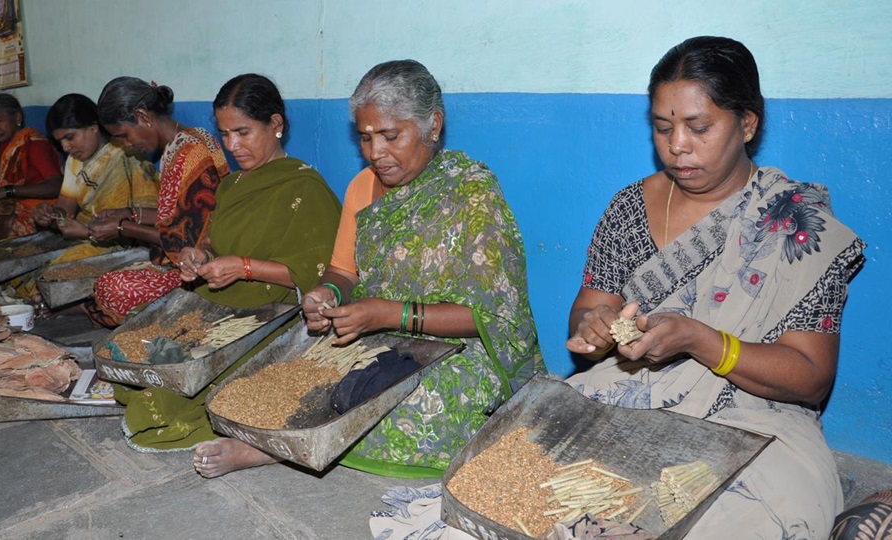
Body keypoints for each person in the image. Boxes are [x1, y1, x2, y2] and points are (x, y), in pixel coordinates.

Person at [565, 36, 864, 538]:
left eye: (699, 127)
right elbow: (588, 311)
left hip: (756, 418)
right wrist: (593, 327)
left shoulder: (795, 223)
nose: (677, 146)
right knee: (529, 474)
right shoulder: (629, 208)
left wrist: (700, 341)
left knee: (757, 513)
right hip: (628, 391)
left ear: (747, 123)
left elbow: (811, 376)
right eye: (663, 128)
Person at [193, 60, 542, 479]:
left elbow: (493, 317)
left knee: (422, 403)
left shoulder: (470, 192)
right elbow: (343, 272)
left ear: (433, 125)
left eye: (391, 136)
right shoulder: (362, 187)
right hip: (379, 331)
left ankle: (281, 449)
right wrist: (326, 294)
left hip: (461, 346)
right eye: (365, 137)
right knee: (292, 373)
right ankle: (293, 440)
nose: (375, 153)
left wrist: (388, 314)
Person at [116, 73, 341, 452]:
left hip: (274, 315)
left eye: (243, 132)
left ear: (275, 124)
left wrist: (243, 268)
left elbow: (316, 273)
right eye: (224, 134)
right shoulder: (232, 185)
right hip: (220, 306)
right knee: (146, 350)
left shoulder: (305, 187)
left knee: (184, 397)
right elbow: (210, 244)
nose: (233, 145)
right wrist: (198, 257)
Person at [87, 77, 228, 327]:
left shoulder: (189, 153)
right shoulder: (187, 141)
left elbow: (186, 241)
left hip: (200, 266)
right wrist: (130, 213)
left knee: (110, 288)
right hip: (186, 257)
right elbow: (180, 214)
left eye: (125, 135)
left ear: (143, 116)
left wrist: (122, 228)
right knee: (104, 284)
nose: (127, 145)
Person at [33, 93, 158, 263]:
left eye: (69, 137)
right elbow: (65, 209)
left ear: (93, 127)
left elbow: (146, 223)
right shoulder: (75, 160)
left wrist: (87, 233)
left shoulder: (127, 158)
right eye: (60, 141)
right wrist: (51, 215)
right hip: (85, 234)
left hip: (125, 245)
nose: (65, 147)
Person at [0, 93, 63, 241]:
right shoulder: (7, 144)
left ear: (17, 118)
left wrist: (8, 191)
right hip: (15, 207)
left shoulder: (34, 144)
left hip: (40, 212)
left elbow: (56, 185)